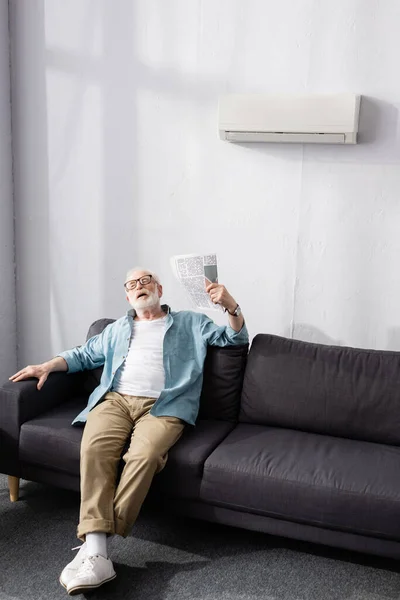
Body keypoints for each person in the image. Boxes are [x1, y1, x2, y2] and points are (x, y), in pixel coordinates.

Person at [9, 267, 249, 595]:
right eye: (132, 284)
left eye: (145, 280)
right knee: (94, 449)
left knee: (145, 455)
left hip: (164, 407)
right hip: (115, 402)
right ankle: (97, 551)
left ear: (160, 289)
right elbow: (81, 355)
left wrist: (231, 306)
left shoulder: (192, 323)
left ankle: (97, 545)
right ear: (127, 295)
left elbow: (235, 338)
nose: (139, 286)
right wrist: (47, 366)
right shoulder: (117, 329)